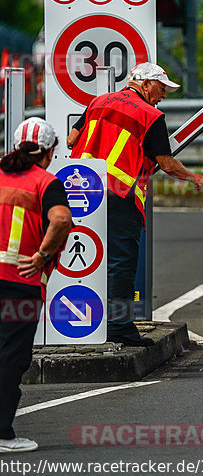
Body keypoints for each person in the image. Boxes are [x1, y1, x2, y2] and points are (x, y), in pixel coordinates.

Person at [67, 62, 203, 346]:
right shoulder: (151, 115)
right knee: (120, 264)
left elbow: (72, 139)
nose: (164, 94)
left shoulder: (98, 101)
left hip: (80, 195)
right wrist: (193, 177)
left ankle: (78, 323)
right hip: (119, 196)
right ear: (145, 84)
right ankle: (118, 326)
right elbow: (166, 163)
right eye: (162, 87)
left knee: (85, 260)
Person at [0, 118, 72, 453]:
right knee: (11, 357)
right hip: (20, 283)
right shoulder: (47, 182)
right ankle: (2, 433)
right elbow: (60, 220)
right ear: (49, 151)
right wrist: (42, 255)